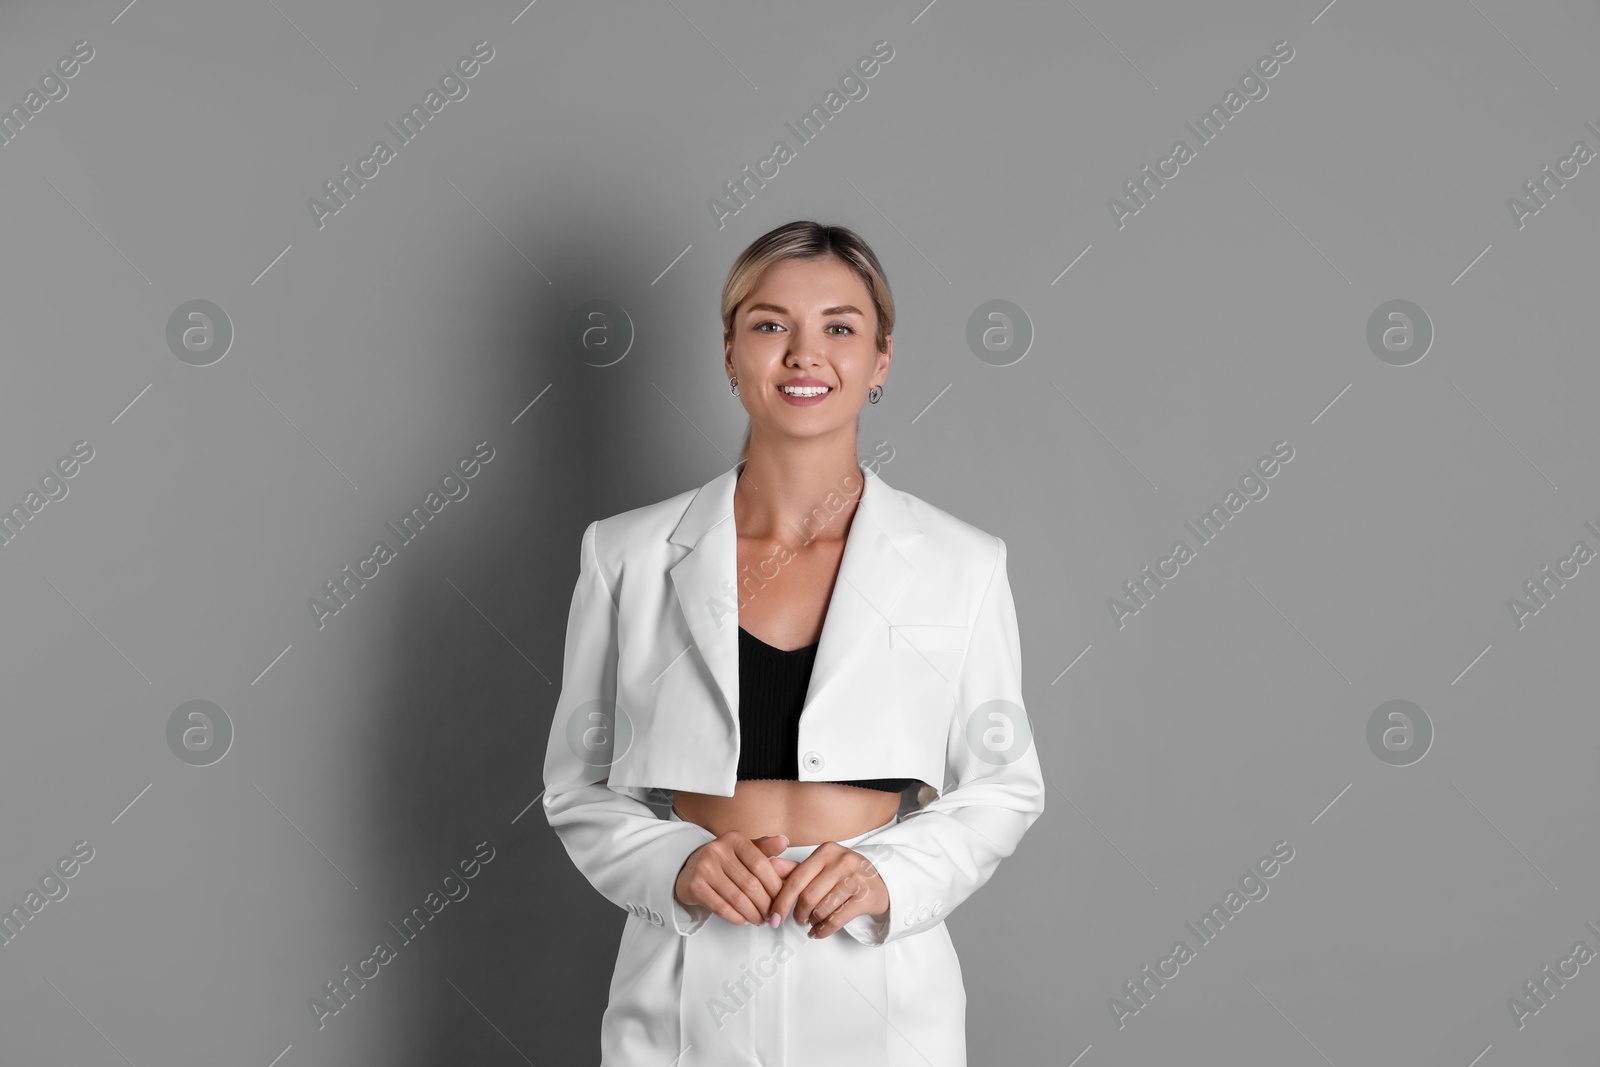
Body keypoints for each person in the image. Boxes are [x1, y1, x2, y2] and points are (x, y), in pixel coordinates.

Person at [541, 220, 1045, 1066]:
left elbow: (1004, 787)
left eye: (840, 328)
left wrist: (891, 878)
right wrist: (676, 863)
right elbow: (576, 786)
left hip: (879, 986)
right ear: (730, 353)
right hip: (685, 982)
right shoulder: (624, 555)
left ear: (881, 360)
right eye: (771, 325)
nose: (804, 354)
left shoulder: (963, 564)